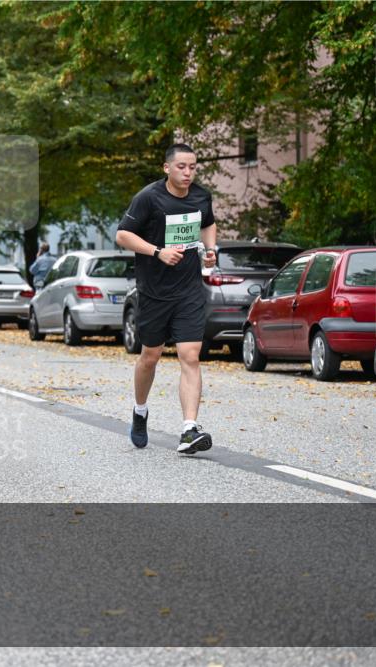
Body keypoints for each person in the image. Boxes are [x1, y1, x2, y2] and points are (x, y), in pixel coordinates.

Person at [114, 143, 217, 455]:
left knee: (190, 355)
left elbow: (208, 223)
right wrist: (158, 252)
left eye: (193, 167)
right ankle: (140, 410)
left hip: (189, 290)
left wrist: (210, 250)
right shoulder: (149, 197)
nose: (188, 173)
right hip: (154, 292)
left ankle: (188, 429)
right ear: (167, 168)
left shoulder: (201, 196)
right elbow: (122, 235)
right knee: (151, 356)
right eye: (181, 167)